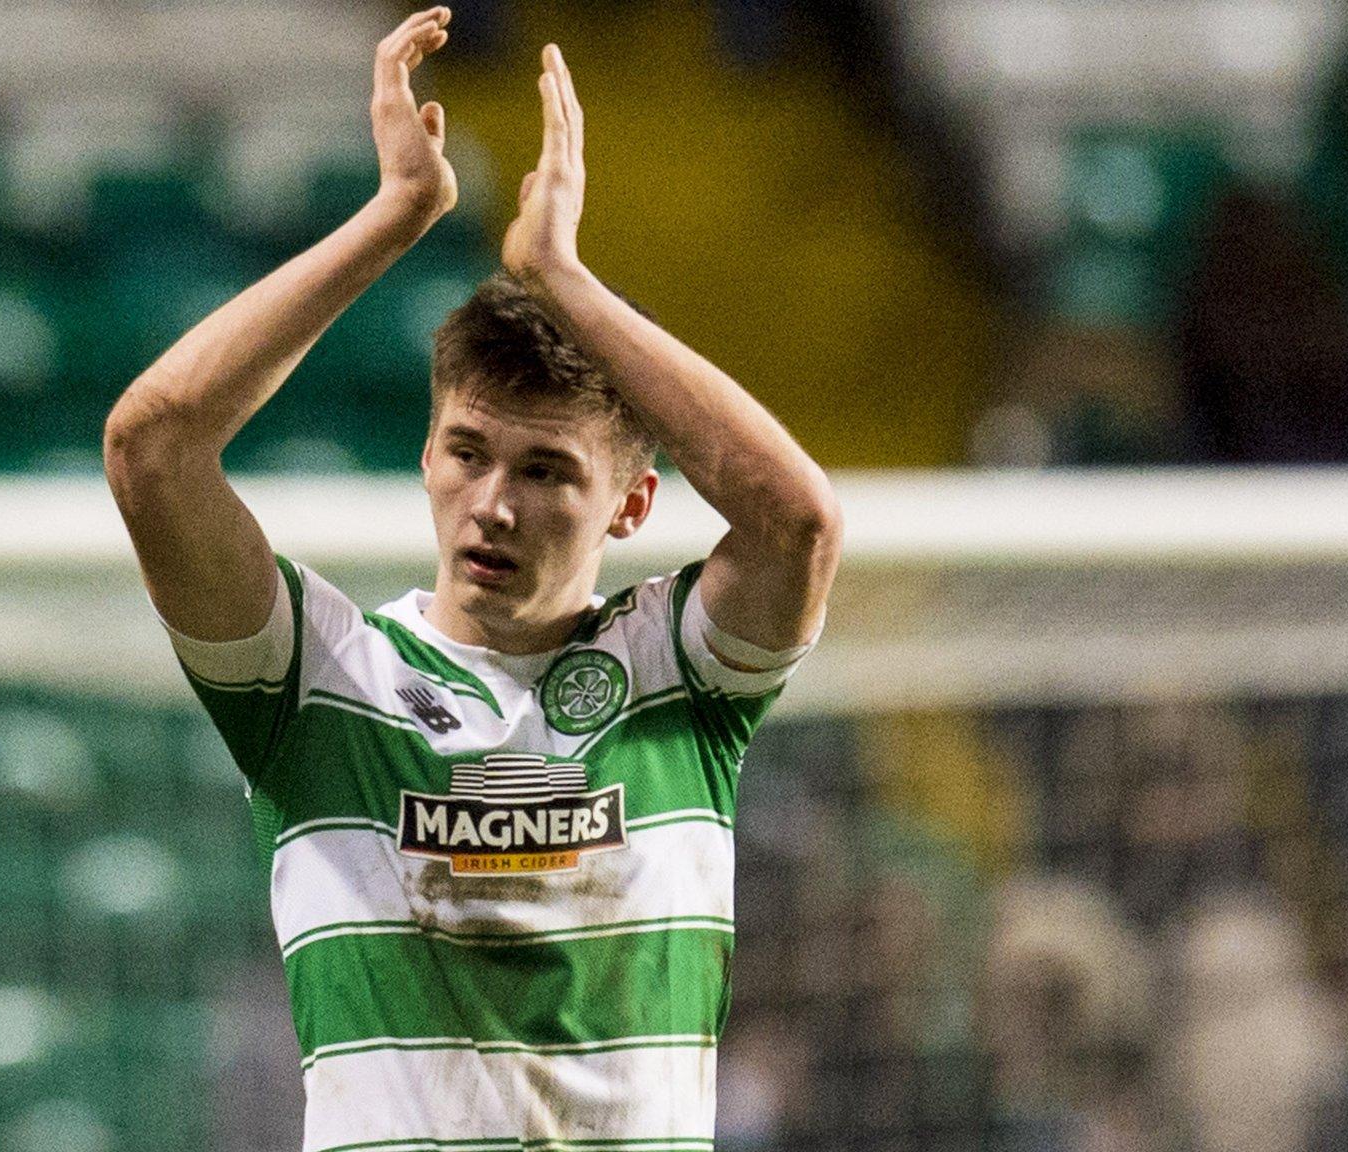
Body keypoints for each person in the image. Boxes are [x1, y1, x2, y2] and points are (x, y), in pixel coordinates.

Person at [102, 6, 842, 1146]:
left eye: (547, 469)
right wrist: (393, 218)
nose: (492, 502)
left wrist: (560, 275)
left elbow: (795, 520)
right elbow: (152, 445)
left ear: (631, 505)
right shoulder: (319, 675)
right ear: (426, 456)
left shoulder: (677, 673)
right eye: (466, 451)